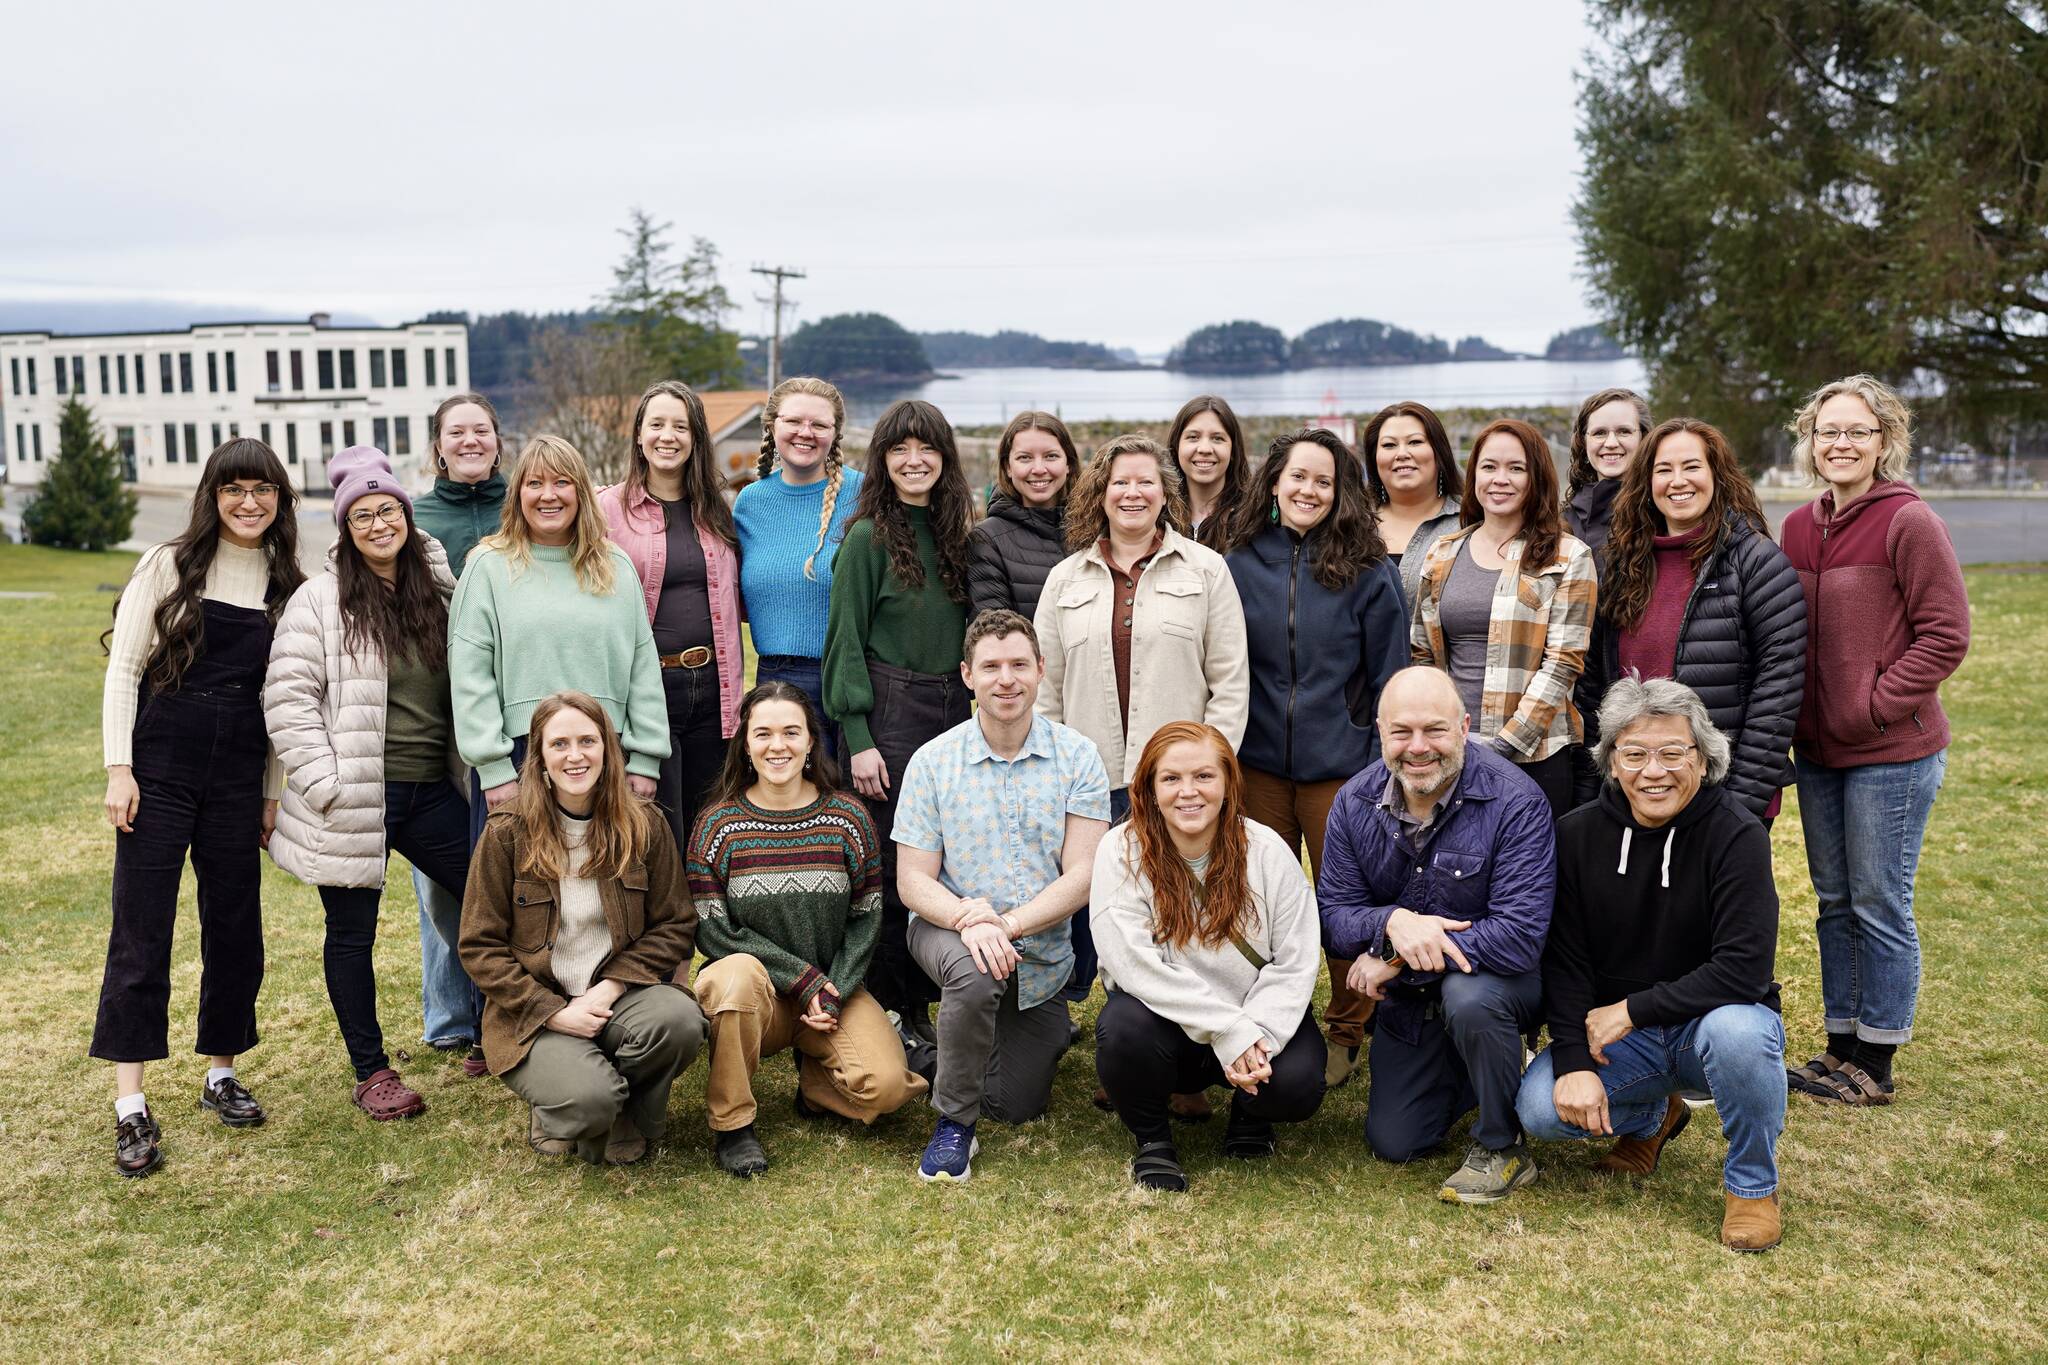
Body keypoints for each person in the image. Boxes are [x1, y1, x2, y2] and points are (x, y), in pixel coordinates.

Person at [1516, 677, 1789, 1252]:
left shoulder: (1737, 836)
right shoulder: (1576, 836)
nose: (1654, 771)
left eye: (1672, 753)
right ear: (1612, 762)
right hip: (1622, 1042)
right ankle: (1651, 1121)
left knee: (1741, 1031)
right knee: (1541, 1109)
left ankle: (1752, 1187)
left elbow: (1743, 971)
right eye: (1635, 754)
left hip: (1707, 1029)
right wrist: (1572, 1060)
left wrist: (1633, 1010)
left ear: (1703, 758)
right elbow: (1565, 963)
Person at [93, 438, 304, 1177]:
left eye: (263, 490)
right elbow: (123, 671)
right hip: (162, 764)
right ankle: (130, 1104)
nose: (249, 503)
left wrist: (271, 793)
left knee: (235, 926)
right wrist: (121, 769)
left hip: (240, 774)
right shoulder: (169, 564)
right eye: (234, 489)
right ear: (211, 496)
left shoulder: (287, 585)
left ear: (281, 498)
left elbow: (282, 702)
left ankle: (221, 1071)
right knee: (142, 926)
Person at [1780, 375, 1968, 1107]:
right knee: (1833, 900)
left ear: (1884, 440)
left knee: (1879, 898)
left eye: (1857, 431)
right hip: (1820, 753)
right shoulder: (1798, 526)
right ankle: (1839, 1046)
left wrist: (1873, 705)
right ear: (1811, 440)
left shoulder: (1908, 522)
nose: (1841, 443)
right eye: (1829, 431)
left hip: (1891, 752)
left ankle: (1878, 1058)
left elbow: (1945, 635)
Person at [264, 447, 467, 1121]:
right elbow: (288, 697)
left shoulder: (437, 590)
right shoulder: (318, 600)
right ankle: (371, 1069)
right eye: (363, 515)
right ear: (346, 528)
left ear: (406, 514)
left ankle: (501, 1028)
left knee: (494, 897)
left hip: (432, 790)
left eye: (388, 510)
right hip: (355, 797)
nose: (379, 524)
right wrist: (324, 780)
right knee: (352, 934)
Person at [1319, 667, 1554, 1203]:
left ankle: (1502, 1144)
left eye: (1436, 730)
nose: (1418, 748)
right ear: (1379, 731)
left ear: (1465, 726)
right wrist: (1391, 924)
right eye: (1401, 732)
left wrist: (1397, 958)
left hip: (1500, 988)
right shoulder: (1354, 802)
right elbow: (1333, 916)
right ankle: (1477, 1073)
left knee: (1467, 998)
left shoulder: (1516, 801)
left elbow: (1518, 936)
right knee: (1395, 1141)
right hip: (1410, 1007)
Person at [1037, 434, 1248, 1022]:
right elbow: (1045, 690)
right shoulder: (1065, 580)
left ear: (1165, 493)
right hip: (1090, 778)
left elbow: (1230, 682)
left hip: (1178, 782)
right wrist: (1053, 772)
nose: (1132, 492)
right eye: (1119, 482)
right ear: (1100, 494)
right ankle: (1119, 1030)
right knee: (1104, 909)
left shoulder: (1207, 571)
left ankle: (1187, 1043)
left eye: (1145, 481)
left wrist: (1211, 772)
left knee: (1181, 910)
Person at [894, 610, 1111, 1182]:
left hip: (1035, 950)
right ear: (967, 675)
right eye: (990, 667)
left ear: (1041, 670)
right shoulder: (933, 762)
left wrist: (1007, 925)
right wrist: (971, 920)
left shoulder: (1078, 757)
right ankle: (953, 1126)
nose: (1005, 679)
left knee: (1015, 1106)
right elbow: (913, 881)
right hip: (948, 928)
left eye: (1019, 664)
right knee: (974, 973)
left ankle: (933, 1055)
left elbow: (1084, 872)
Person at [1219, 428, 1407, 1089]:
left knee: (1344, 904)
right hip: (1258, 765)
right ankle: (1257, 1025)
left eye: (1323, 481)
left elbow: (1391, 678)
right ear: (1274, 481)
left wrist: (1375, 762)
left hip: (1344, 772)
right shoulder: (1237, 562)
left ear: (1340, 491)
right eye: (1297, 477)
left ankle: (1346, 1029)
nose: (1308, 490)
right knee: (1255, 902)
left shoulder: (1370, 570)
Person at [689, 683, 928, 1177]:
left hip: (831, 992)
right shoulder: (718, 825)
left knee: (886, 1089)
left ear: (811, 743)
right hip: (758, 1000)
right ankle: (732, 1123)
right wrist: (804, 982)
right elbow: (715, 932)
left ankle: (818, 1087)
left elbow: (866, 916)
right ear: (746, 745)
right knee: (732, 978)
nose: (778, 745)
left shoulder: (847, 817)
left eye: (791, 732)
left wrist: (832, 990)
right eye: (764, 734)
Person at [461, 691, 706, 1164]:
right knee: (589, 1101)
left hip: (620, 998)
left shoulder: (645, 824)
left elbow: (677, 924)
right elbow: (479, 945)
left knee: (678, 1022)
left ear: (608, 750)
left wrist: (607, 990)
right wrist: (552, 1011)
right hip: (536, 1013)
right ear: (539, 757)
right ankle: (573, 1100)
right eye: (559, 744)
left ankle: (629, 1108)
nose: (575, 756)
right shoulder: (506, 831)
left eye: (588, 741)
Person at [1092, 723, 1327, 1192]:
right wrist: (1225, 1029)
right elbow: (1133, 964)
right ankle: (1154, 1142)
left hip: (1252, 1019)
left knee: (1298, 1084)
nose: (1188, 793)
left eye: (1204, 776)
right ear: (1149, 787)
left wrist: (1254, 1034)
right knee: (1123, 1032)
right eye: (1171, 779)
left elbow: (1296, 959)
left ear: (1227, 784)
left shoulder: (1266, 851)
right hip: (1166, 1026)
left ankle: (1251, 1116)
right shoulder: (1121, 850)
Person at [821, 399, 975, 1040]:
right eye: (900, 450)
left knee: (942, 862)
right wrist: (858, 739)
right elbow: (844, 645)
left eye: (927, 449)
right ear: (883, 461)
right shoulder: (866, 538)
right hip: (889, 712)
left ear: (945, 458)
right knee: (887, 865)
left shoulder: (957, 533)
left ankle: (942, 996)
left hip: (953, 708)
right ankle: (896, 1009)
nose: (915, 461)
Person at [449, 435, 669, 849]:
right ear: (517, 495)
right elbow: (469, 675)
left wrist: (645, 759)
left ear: (581, 492)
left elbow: (642, 667)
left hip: (605, 754)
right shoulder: (489, 567)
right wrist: (493, 768)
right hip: (518, 757)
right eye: (534, 484)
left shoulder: (614, 566)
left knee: (605, 890)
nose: (548, 495)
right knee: (523, 895)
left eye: (562, 482)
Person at [1582, 418, 1806, 820]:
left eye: (1692, 467)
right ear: (1646, 483)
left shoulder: (1758, 563)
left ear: (1717, 476)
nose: (1677, 481)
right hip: (1635, 785)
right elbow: (1593, 682)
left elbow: (1778, 695)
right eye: (1663, 470)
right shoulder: (1619, 563)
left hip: (1724, 791)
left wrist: (1740, 806)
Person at [1410, 419, 1597, 820]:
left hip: (1534, 756)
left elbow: (1564, 664)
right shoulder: (1442, 553)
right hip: (1449, 752)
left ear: (1536, 478)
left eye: (1516, 468)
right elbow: (1423, 655)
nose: (1500, 479)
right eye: (1489, 466)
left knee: (1527, 879)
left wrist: (1501, 747)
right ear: (1473, 473)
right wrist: (1441, 738)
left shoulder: (1570, 557)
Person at [598, 380, 744, 853]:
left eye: (681, 426)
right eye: (656, 424)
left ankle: (708, 924)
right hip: (647, 688)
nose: (668, 436)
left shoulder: (717, 510)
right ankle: (663, 925)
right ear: (638, 435)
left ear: (697, 438)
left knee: (709, 827)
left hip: (714, 687)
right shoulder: (607, 509)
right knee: (656, 826)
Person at [407, 391, 505, 1067]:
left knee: (507, 861)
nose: (469, 440)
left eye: (481, 430)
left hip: (520, 707)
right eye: (456, 432)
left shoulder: (523, 506)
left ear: (499, 439)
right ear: (437, 446)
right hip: (438, 714)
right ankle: (450, 1015)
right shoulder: (414, 519)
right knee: (443, 872)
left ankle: (503, 1004)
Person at [734, 377, 864, 758]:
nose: (805, 433)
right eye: (794, 422)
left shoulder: (864, 495)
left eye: (819, 425)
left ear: (835, 433)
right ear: (772, 426)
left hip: (847, 680)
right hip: (774, 683)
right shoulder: (750, 503)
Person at [967, 410, 1077, 620]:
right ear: (1008, 467)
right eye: (1024, 458)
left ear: (1068, 464)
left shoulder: (1095, 529)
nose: (1038, 469)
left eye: (1051, 456)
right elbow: (994, 632)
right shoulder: (988, 540)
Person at [1363, 401, 1465, 606]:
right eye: (1389, 445)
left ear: (1439, 452)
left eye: (1415, 442)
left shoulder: (1471, 523)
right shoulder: (1352, 524)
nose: (1401, 454)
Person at [1563, 387, 1652, 557]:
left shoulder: (1662, 513)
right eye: (1599, 433)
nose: (1611, 443)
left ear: (1644, 438)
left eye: (1624, 431)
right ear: (1583, 442)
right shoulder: (1562, 522)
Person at [1165, 395, 1251, 546]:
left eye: (1217, 438)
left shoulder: (1253, 519)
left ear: (1233, 450)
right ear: (1177, 446)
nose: (1204, 449)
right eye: (1193, 437)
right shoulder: (1158, 517)